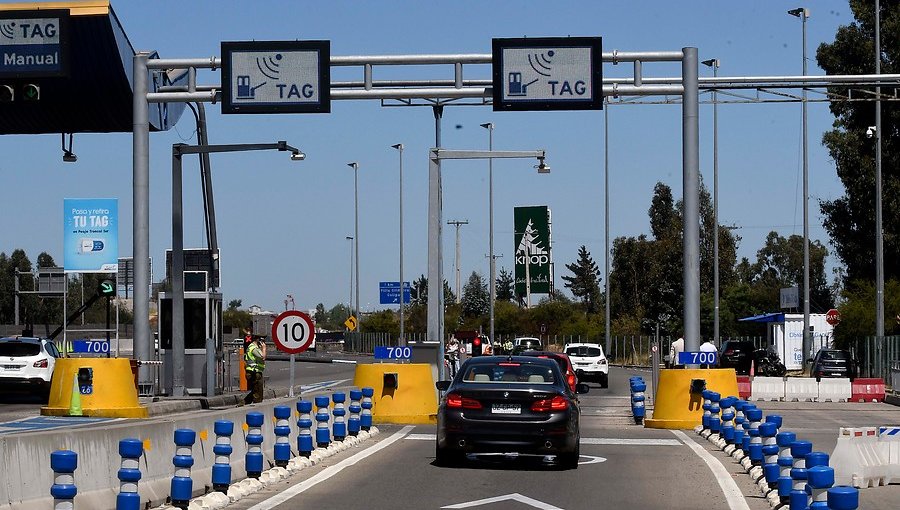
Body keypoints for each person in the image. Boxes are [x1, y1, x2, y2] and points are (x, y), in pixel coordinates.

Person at [244, 334, 267, 404]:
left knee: (255, 390)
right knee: (258, 392)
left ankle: (243, 403)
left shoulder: (252, 347)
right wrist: (264, 348)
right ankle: (255, 405)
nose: (263, 342)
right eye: (262, 340)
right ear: (258, 340)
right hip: (254, 372)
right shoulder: (254, 348)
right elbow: (263, 356)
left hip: (253, 371)